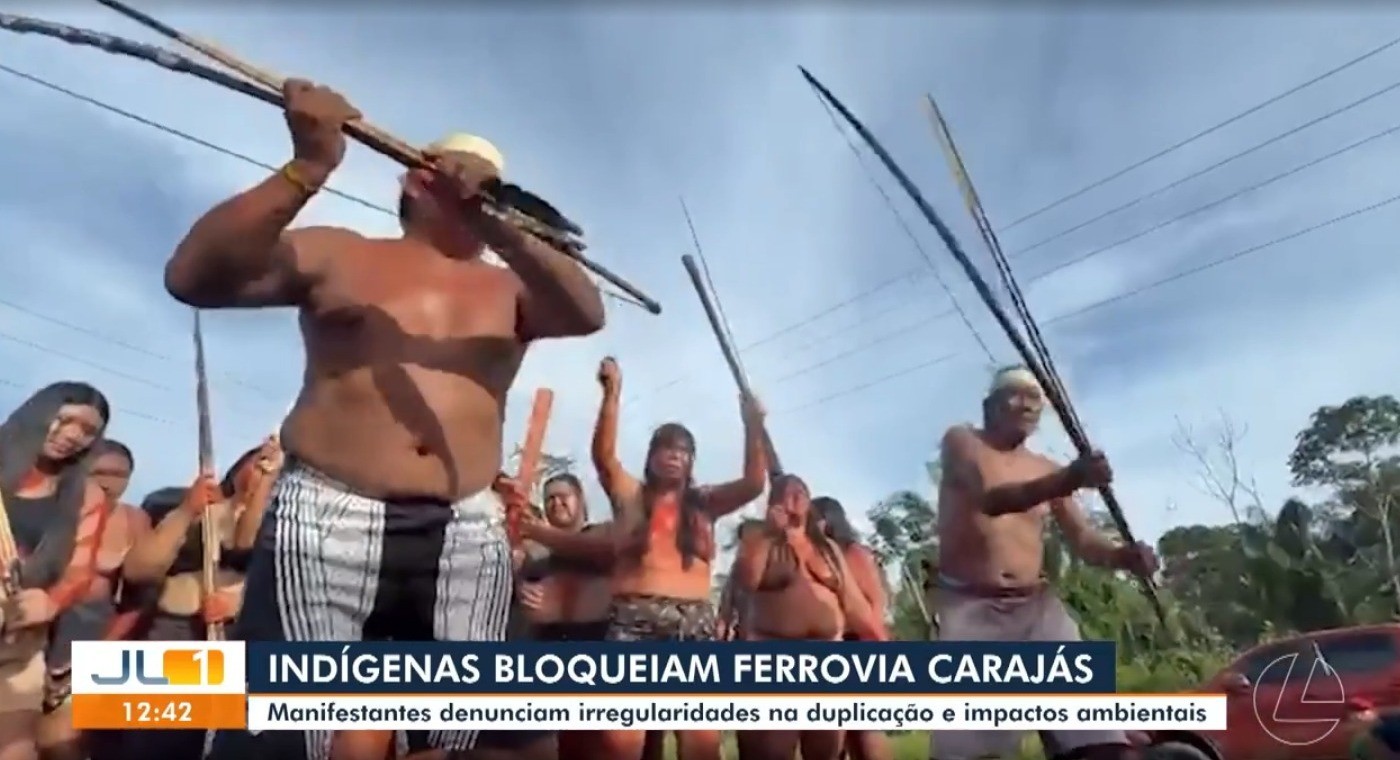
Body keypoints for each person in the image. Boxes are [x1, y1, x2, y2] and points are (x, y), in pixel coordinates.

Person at [170, 77, 605, 760]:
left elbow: (586, 312)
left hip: (466, 526)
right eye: (459, 178)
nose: (470, 190)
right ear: (412, 180)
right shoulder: (342, 252)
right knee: (280, 735)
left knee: (503, 740)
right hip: (325, 519)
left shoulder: (513, 286)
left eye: (490, 186)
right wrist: (307, 167)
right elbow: (193, 277)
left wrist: (494, 218)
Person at [930, 366, 1158, 760]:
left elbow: (1084, 541)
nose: (1026, 404)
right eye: (1014, 394)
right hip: (971, 611)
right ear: (989, 405)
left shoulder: (1046, 468)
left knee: (1104, 745)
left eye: (1035, 399)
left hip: (1037, 611)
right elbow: (992, 499)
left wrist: (1124, 556)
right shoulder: (962, 441)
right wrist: (1071, 478)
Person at [589, 356, 767, 760]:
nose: (674, 456)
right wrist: (611, 394)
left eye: (683, 451)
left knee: (701, 741)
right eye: (666, 449)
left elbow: (756, 482)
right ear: (651, 457)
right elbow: (604, 457)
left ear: (691, 462)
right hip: (633, 619)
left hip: (694, 623)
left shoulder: (704, 504)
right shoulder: (632, 496)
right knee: (620, 741)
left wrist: (752, 423)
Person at [733, 475, 884, 760]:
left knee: (826, 751)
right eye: (786, 493)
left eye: (801, 492)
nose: (795, 497)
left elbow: (855, 605)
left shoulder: (828, 548)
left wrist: (880, 641)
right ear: (773, 502)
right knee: (774, 750)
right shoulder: (757, 538)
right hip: (775, 659)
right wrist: (769, 533)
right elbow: (746, 582)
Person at [0, 382, 112, 760]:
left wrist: (51, 600)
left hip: (17, 646)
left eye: (88, 431)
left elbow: (80, 569)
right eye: (65, 420)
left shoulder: (88, 495)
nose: (72, 436)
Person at [42, 440, 152, 760]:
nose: (107, 482)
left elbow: (141, 599)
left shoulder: (134, 520)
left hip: (97, 633)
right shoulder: (49, 512)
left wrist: (101, 652)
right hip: (37, 632)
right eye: (98, 472)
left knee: (63, 739)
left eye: (119, 475)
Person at [812, 496, 892, 760]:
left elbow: (875, 602)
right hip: (832, 644)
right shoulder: (820, 556)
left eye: (815, 518)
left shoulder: (854, 553)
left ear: (829, 519)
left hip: (858, 643)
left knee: (865, 728)